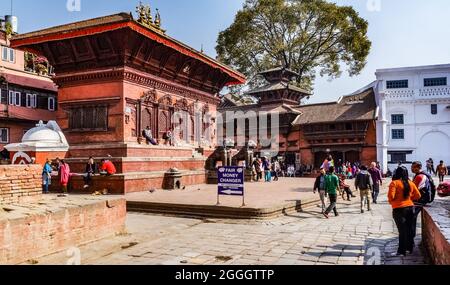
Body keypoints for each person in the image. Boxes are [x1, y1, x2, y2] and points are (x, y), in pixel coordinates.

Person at [388, 166, 421, 256]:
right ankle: (409, 249)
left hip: (399, 209)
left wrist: (393, 202)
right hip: (410, 207)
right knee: (409, 229)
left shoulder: (394, 183)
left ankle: (401, 251)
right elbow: (418, 195)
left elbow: (391, 196)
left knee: (402, 231)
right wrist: (409, 199)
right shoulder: (411, 183)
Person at [411, 161, 436, 238]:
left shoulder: (420, 176)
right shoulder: (421, 175)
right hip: (422, 199)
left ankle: (411, 237)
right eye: (412, 167)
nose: (411, 169)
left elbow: (413, 190)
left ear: (418, 167)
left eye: (413, 167)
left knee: (411, 216)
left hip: (420, 200)